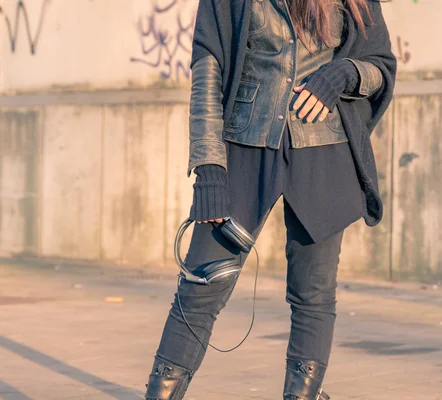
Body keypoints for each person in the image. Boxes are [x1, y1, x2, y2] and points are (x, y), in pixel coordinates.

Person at [144, 0, 396, 398]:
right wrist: (209, 168)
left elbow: (380, 66)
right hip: (244, 147)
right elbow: (207, 71)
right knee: (201, 285)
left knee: (312, 293)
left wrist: (342, 73)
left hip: (324, 149)